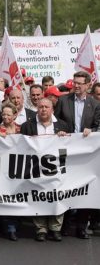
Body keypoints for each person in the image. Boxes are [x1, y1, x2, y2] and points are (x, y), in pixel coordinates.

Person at [54, 71, 100, 239]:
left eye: (80, 83)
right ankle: (64, 225)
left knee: (85, 190)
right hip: (66, 151)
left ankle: (81, 226)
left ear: (88, 85)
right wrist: (58, 131)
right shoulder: (64, 101)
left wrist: (93, 131)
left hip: (86, 154)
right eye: (75, 82)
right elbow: (55, 121)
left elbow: (99, 126)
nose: (77, 85)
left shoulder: (94, 104)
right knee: (65, 188)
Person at [21, 98, 70, 242]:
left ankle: (55, 229)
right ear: (37, 108)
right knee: (38, 197)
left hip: (56, 168)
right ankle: (40, 229)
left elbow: (69, 146)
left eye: (46, 107)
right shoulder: (27, 126)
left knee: (57, 197)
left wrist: (64, 137)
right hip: (35, 168)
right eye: (40, 107)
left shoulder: (63, 125)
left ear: (52, 110)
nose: (43, 109)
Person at [0, 102, 20, 241]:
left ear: (15, 115)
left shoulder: (21, 129)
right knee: (4, 198)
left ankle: (12, 227)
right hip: (3, 170)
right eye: (3, 114)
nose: (5, 116)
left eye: (9, 114)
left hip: (18, 169)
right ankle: (7, 227)